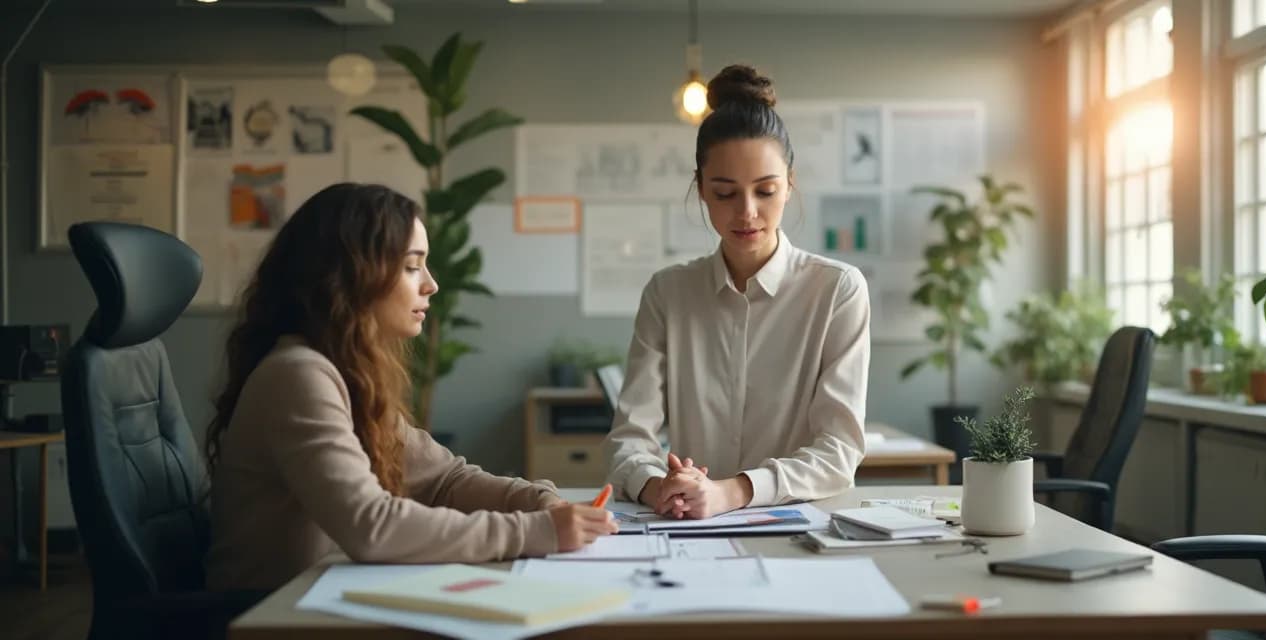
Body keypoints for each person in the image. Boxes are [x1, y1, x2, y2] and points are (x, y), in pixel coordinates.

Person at [204, 183, 615, 590]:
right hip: (267, 619)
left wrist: (536, 501)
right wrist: (535, 531)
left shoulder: (345, 373)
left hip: (318, 602)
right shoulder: (298, 375)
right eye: (411, 266)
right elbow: (371, 525)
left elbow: (444, 480)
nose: (431, 284)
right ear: (350, 276)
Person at [605, 65, 872, 520]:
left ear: (789, 184)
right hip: (685, 526)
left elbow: (838, 452)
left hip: (797, 528)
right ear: (701, 190)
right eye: (725, 193)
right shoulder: (668, 293)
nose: (747, 213)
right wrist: (658, 487)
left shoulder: (837, 291)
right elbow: (629, 440)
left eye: (765, 191)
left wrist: (732, 492)